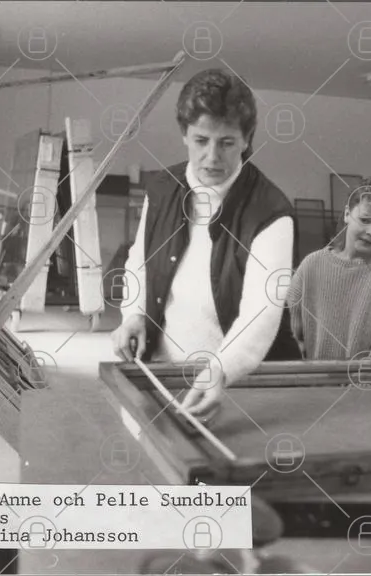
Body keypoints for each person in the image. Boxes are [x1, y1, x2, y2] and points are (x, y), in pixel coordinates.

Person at [110, 68, 300, 421]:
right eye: (201, 140)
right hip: (163, 372)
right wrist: (133, 313)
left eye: (226, 143)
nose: (212, 157)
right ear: (184, 134)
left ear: (247, 139)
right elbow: (139, 260)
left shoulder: (271, 212)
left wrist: (221, 369)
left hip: (242, 382)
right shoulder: (161, 189)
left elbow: (262, 310)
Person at [287, 174, 371, 360]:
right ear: (347, 214)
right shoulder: (311, 266)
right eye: (365, 220)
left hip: (364, 379)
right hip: (311, 378)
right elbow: (289, 338)